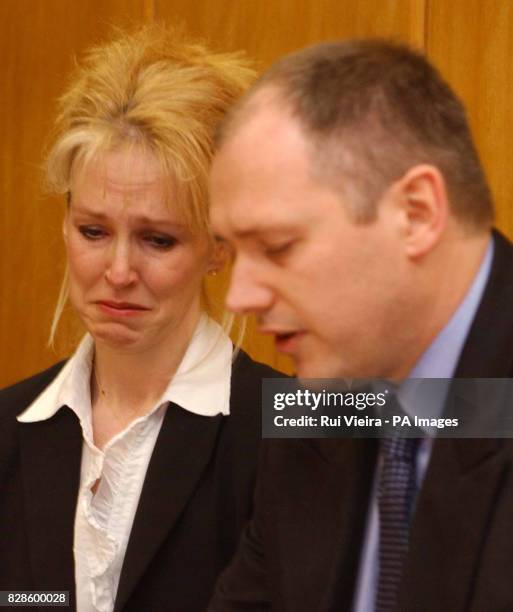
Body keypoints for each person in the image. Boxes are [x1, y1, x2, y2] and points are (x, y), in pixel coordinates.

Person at [208, 39, 513, 611]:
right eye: (231, 251)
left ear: (416, 213)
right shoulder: (313, 407)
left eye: (277, 247)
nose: (239, 297)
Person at [0, 26, 281, 612]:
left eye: (158, 239)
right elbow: (26, 598)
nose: (119, 270)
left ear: (219, 245)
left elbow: (473, 411)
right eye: (94, 231)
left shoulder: (292, 430)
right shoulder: (8, 426)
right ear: (65, 223)